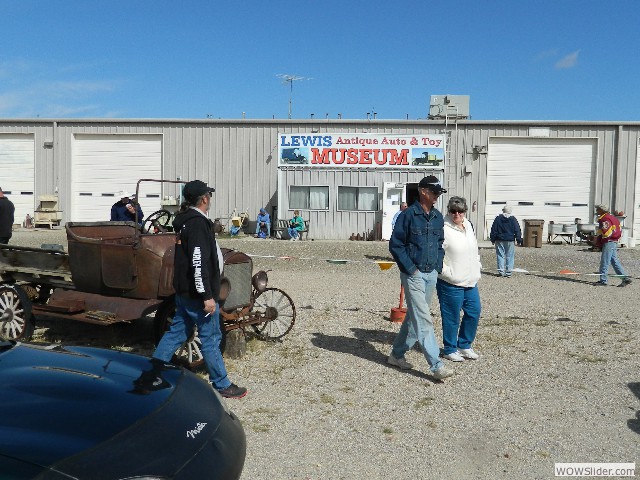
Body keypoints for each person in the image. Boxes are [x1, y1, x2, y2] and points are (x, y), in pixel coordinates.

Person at [153, 180, 247, 399]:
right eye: (209, 196)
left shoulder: (187, 221)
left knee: (177, 333)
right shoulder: (197, 224)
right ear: (204, 198)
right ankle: (222, 384)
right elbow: (198, 262)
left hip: (185, 293)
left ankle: (153, 372)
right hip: (198, 295)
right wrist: (207, 296)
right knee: (212, 337)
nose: (210, 199)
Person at [387, 175, 454, 380]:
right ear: (423, 191)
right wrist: (410, 269)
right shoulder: (408, 216)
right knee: (423, 318)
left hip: (430, 273)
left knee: (414, 317)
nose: (436, 197)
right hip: (413, 274)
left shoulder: (436, 217)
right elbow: (395, 245)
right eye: (434, 193)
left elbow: (440, 243)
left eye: (438, 193)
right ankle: (436, 365)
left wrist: (437, 265)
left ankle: (396, 355)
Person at [436, 196, 482, 362]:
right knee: (451, 317)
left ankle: (464, 345)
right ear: (448, 211)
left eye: (460, 211)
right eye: (453, 211)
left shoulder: (468, 225)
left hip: (470, 281)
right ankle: (449, 348)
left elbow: (474, 249)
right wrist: (446, 272)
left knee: (474, 312)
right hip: (450, 282)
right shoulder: (442, 227)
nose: (457, 214)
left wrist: (477, 265)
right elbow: (436, 254)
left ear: (465, 212)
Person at [593, 204, 632, 287]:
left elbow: (606, 232)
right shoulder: (613, 218)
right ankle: (625, 278)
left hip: (609, 241)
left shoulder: (604, 219)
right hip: (614, 241)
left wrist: (598, 239)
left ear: (602, 210)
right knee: (614, 260)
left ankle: (603, 281)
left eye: (598, 209)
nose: (597, 211)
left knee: (605, 261)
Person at [489, 205, 523, 277]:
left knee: (500, 255)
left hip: (499, 239)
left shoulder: (498, 218)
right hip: (510, 240)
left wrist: (492, 239)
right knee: (510, 256)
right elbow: (517, 230)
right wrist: (519, 240)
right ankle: (508, 272)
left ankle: (501, 271)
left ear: (503, 210)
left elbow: (494, 229)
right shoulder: (513, 219)